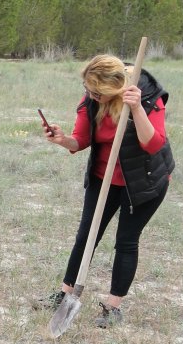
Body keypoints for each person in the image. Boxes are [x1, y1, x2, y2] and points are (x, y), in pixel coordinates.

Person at [39, 54, 173, 328]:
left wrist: (135, 109)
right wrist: (63, 139)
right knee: (86, 235)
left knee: (126, 240)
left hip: (143, 181)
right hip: (104, 177)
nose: (90, 95)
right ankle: (64, 295)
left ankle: (113, 308)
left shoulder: (147, 97)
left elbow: (153, 144)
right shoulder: (91, 99)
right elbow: (81, 140)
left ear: (113, 87)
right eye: (88, 89)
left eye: (96, 91)